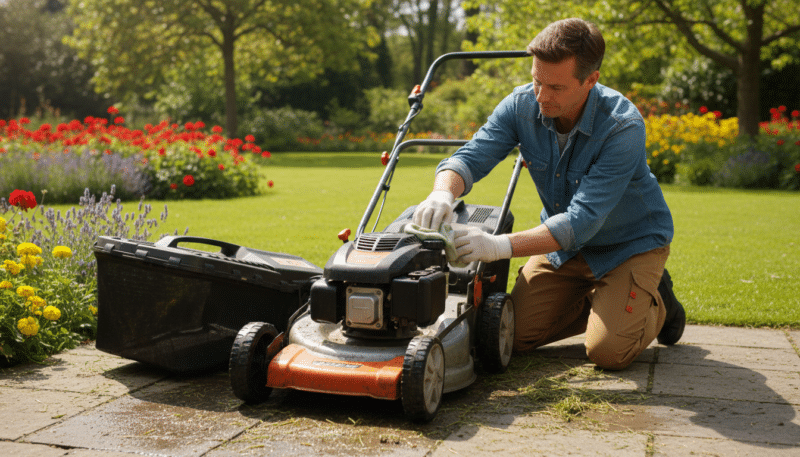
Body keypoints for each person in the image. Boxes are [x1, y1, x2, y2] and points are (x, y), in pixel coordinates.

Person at [412, 18, 685, 370]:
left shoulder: (622, 126)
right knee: (510, 336)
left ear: (591, 80)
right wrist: (442, 194)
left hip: (629, 246)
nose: (541, 96)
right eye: (537, 80)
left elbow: (581, 221)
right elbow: (469, 157)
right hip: (565, 251)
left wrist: (497, 246)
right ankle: (609, 303)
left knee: (607, 352)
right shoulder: (521, 104)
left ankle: (656, 297)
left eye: (555, 87)